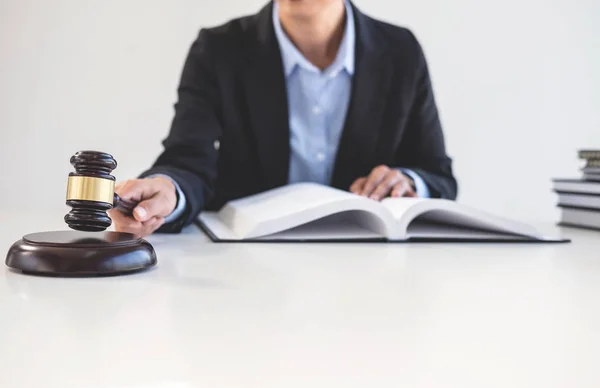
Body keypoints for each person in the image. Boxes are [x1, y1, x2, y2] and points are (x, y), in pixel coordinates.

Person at [109, 0, 458, 236]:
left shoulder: (400, 51)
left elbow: (438, 175)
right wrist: (169, 192)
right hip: (245, 272)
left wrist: (407, 181)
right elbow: (188, 161)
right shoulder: (218, 50)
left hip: (368, 271)